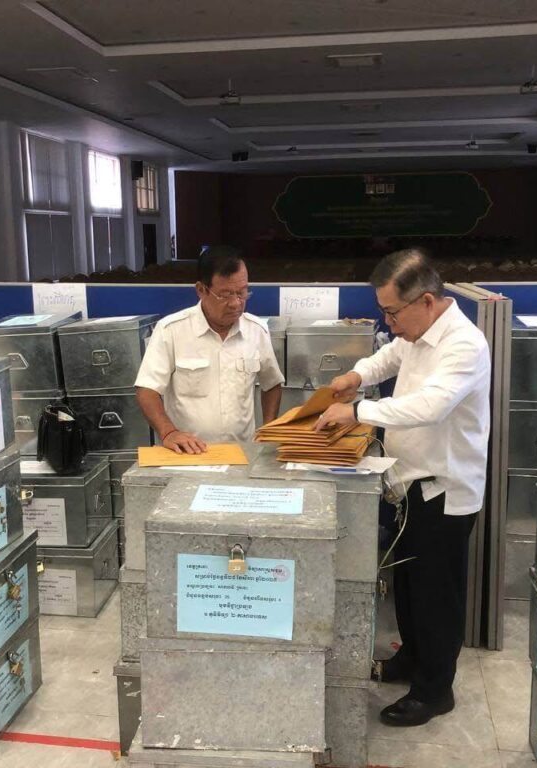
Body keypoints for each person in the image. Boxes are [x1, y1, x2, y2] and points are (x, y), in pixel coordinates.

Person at [314, 248, 491, 727]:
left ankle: (435, 691)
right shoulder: (416, 333)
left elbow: (430, 406)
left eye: (393, 312)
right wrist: (356, 376)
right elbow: (390, 357)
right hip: (408, 482)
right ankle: (411, 659)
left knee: (436, 595)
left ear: (426, 301)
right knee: (409, 588)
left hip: (443, 490)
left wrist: (357, 411)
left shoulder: (464, 345)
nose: (390, 324)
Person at [135, 245, 284, 453]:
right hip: (187, 454)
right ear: (201, 290)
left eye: (242, 293)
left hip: (242, 453)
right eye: (225, 295)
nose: (236, 303)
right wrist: (168, 432)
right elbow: (147, 389)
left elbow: (272, 384)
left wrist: (268, 429)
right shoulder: (171, 330)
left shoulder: (256, 331)